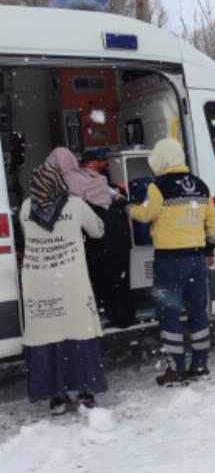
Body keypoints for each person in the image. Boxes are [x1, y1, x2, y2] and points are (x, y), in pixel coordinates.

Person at [127, 138, 215, 386]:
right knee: (197, 312)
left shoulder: (159, 187)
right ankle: (200, 365)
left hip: (169, 262)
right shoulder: (201, 186)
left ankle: (176, 369)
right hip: (196, 260)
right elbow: (212, 224)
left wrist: (127, 207)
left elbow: (146, 213)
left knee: (169, 314)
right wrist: (209, 249)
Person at [19, 163, 107, 414]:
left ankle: (56, 398)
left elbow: (28, 235)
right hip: (69, 280)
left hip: (37, 281)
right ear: (60, 182)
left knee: (48, 337)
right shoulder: (76, 205)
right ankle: (85, 393)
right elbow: (98, 230)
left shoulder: (26, 207)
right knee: (77, 334)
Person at [46, 147, 134, 328]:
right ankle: (123, 317)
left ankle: (98, 315)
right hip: (116, 229)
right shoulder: (95, 177)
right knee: (119, 276)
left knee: (97, 275)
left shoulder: (62, 181)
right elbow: (115, 196)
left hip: (96, 232)